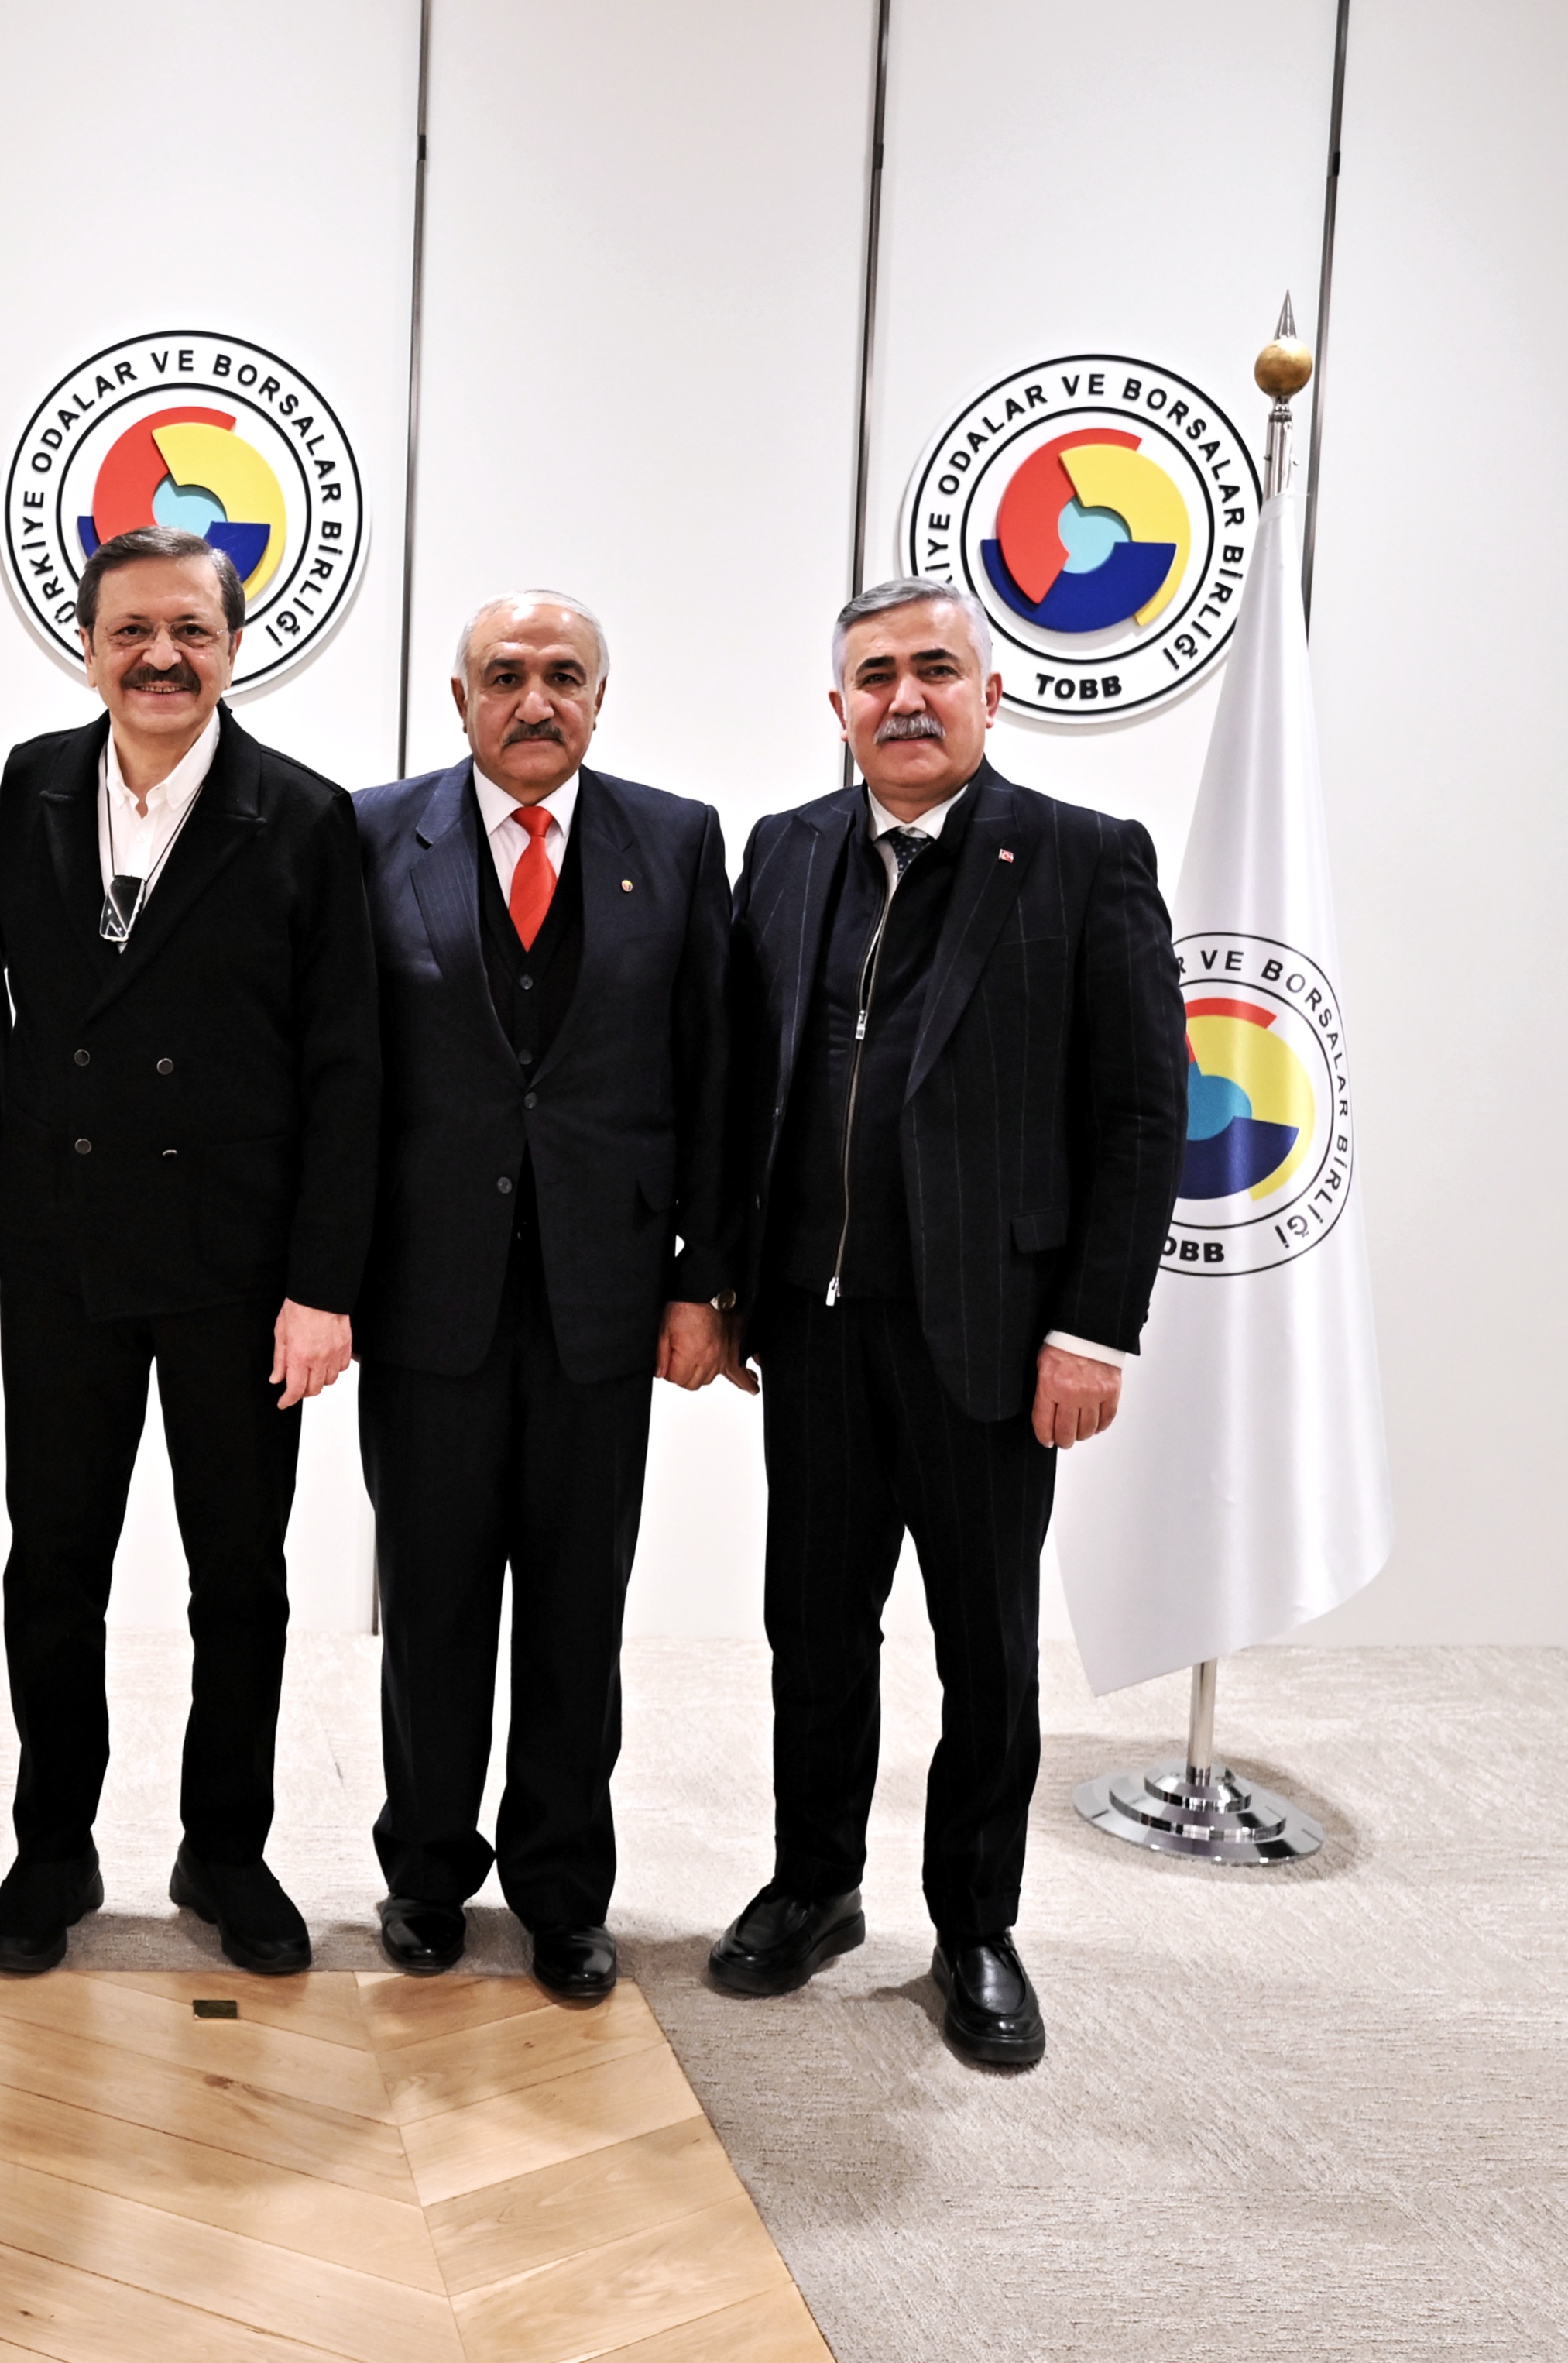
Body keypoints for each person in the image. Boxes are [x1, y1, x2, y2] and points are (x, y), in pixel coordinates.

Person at [708, 572, 1184, 2066]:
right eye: (873, 675)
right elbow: (740, 1085)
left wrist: (1093, 1328)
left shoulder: (1082, 856)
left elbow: (1140, 1112)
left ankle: (975, 1924)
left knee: (982, 1648)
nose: (903, 697)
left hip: (987, 1334)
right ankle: (813, 1882)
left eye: (932, 669)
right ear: (836, 704)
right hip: (813, 1328)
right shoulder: (785, 850)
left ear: (990, 692)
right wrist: (719, 1285)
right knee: (812, 1631)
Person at [0, 525, 379, 1977]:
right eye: (132, 630)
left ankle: (226, 1849)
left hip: (238, 1270)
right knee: (50, 1568)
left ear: (232, 646)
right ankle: (51, 1847)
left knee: (239, 1580)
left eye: (190, 631)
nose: (160, 657)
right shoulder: (28, 783)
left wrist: (322, 1285)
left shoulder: (305, 815)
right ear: (88, 646)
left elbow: (346, 1067)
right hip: (64, 1257)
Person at [352, 592, 735, 2006]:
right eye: (502, 675)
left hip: (603, 1297)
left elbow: (711, 1074)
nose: (533, 699)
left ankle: (564, 1890)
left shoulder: (674, 841)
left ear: (598, 697)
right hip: (424, 1297)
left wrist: (702, 1281)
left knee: (578, 1611)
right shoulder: (371, 833)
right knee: (432, 1603)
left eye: (562, 675)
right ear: (457, 700)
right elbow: (340, 1076)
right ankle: (424, 1871)